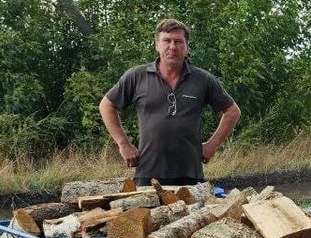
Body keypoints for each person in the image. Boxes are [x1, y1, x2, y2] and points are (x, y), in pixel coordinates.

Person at [99, 18, 242, 187]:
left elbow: (232, 111)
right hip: (147, 172)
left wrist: (212, 145)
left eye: (178, 42)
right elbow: (106, 105)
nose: (172, 47)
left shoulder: (203, 79)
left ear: (187, 47)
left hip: (190, 174)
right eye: (166, 41)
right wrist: (124, 144)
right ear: (157, 45)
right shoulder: (137, 76)